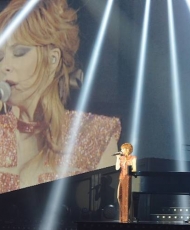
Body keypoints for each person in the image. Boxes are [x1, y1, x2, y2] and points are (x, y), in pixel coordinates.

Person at [0, 0, 121, 194]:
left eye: (19, 52)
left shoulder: (94, 134)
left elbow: (108, 215)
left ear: (53, 59)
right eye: (0, 56)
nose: (4, 65)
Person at [115, 143, 136, 223]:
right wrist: (117, 158)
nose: (121, 150)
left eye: (123, 149)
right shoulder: (121, 158)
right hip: (121, 178)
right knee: (119, 196)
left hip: (128, 179)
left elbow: (134, 170)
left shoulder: (133, 158)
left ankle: (126, 218)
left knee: (127, 198)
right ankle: (123, 216)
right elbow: (117, 168)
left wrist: (129, 168)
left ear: (127, 150)